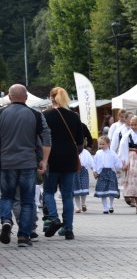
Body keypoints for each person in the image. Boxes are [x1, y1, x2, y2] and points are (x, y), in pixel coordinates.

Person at [0, 84, 51, 247]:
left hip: (6, 162)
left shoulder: (1, 113)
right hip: (28, 163)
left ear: (9, 96)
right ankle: (24, 236)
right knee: (28, 201)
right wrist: (44, 160)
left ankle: (6, 220)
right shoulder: (35, 114)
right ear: (26, 97)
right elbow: (46, 137)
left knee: (7, 196)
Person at [42, 86, 87, 239]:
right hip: (69, 160)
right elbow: (80, 143)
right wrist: (74, 153)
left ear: (51, 97)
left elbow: (40, 139)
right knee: (67, 195)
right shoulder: (74, 116)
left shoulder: (45, 115)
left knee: (49, 192)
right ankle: (68, 229)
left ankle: (54, 218)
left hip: (51, 159)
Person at [92, 135, 122, 213]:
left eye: (103, 144)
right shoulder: (98, 153)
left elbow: (117, 162)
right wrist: (95, 171)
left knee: (111, 191)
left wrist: (119, 168)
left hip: (111, 173)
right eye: (100, 144)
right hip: (101, 173)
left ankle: (110, 205)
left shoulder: (112, 153)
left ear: (108, 144)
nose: (101, 145)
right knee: (103, 192)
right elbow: (94, 163)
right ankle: (105, 208)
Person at [73, 145, 94, 213]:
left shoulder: (86, 152)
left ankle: (83, 204)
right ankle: (78, 207)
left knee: (84, 189)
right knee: (76, 191)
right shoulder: (72, 151)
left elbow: (91, 162)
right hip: (75, 171)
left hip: (83, 171)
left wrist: (94, 169)